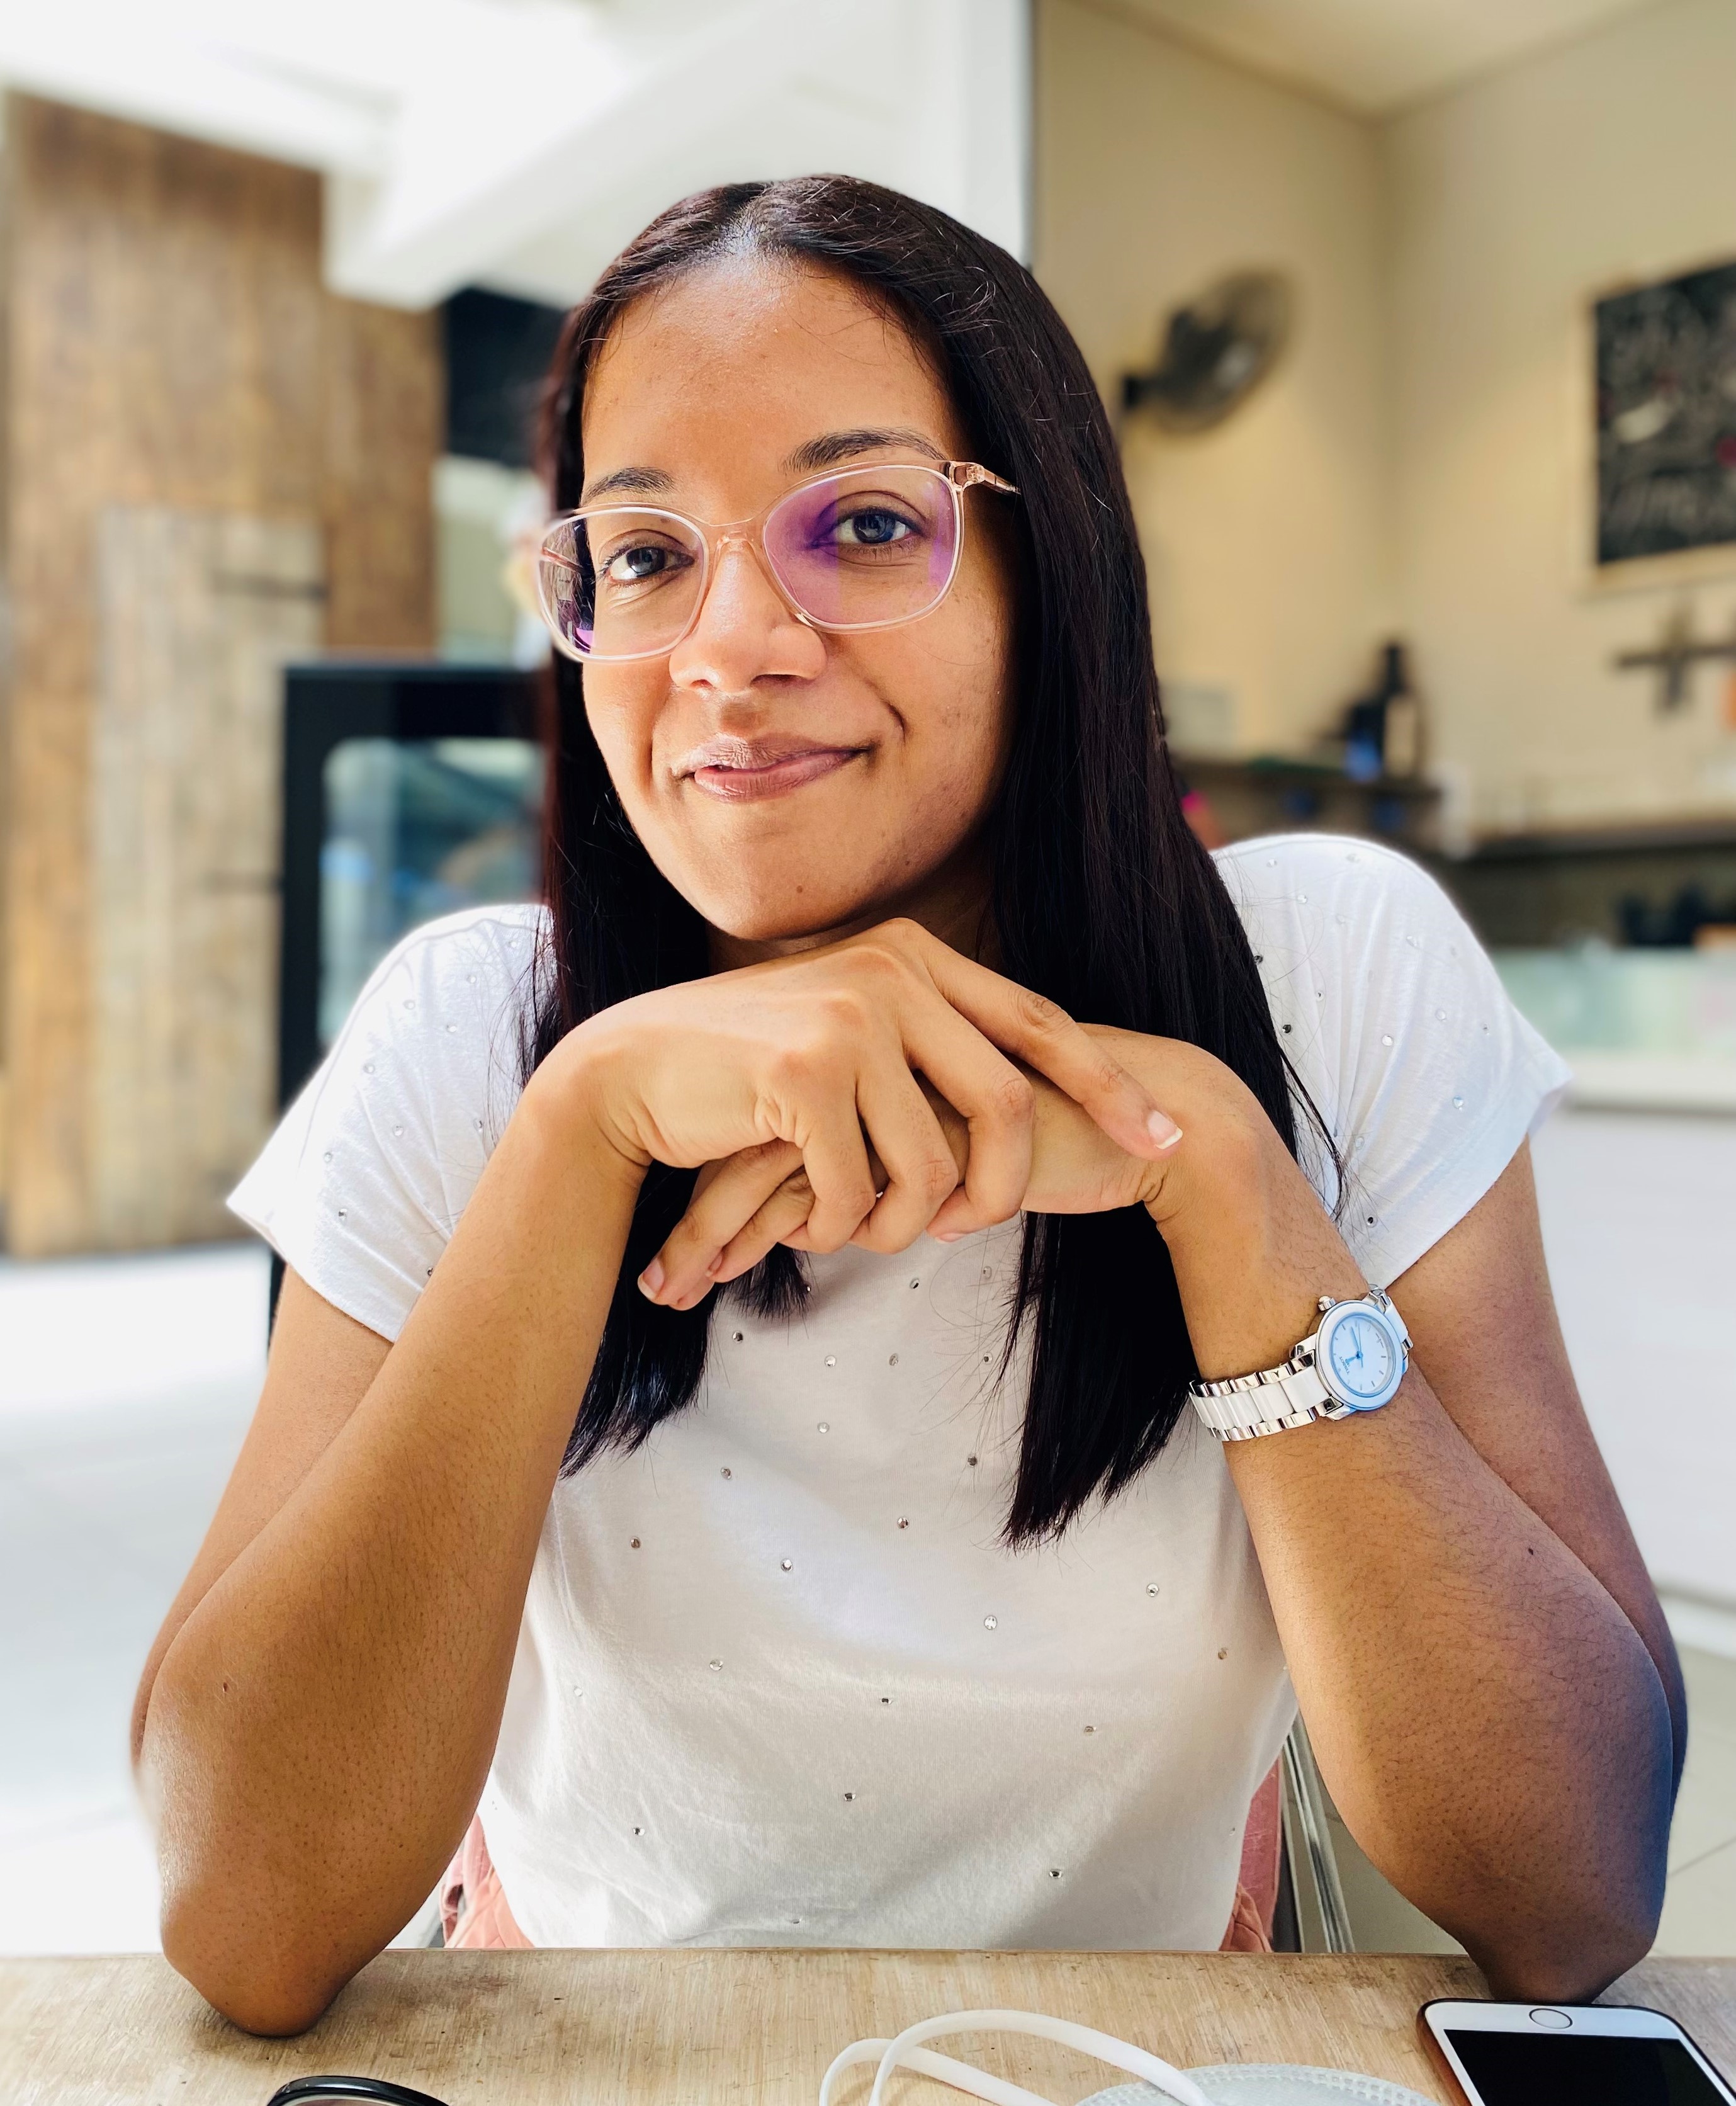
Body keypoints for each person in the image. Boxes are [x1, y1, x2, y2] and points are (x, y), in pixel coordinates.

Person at [133, 177, 1681, 2035]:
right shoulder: (473, 1032)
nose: (730, 646)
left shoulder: (1329, 973)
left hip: (1141, 2057)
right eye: (644, 553)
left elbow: (1573, 1892)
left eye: (865, 524)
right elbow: (243, 1912)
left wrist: (1223, 1183)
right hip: (590, 2050)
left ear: (1055, 574)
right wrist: (578, 1129)